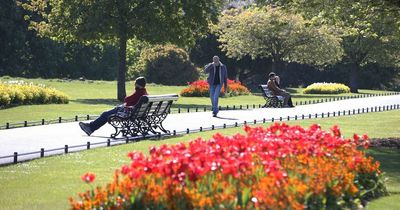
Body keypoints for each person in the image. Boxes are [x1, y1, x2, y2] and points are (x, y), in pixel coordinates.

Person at [79, 77, 148, 136]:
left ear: (137, 84)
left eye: (135, 83)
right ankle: (91, 127)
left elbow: (126, 99)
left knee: (105, 114)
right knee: (107, 113)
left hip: (127, 112)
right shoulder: (144, 92)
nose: (134, 85)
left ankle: (90, 128)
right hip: (133, 111)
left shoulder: (139, 92)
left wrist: (126, 103)